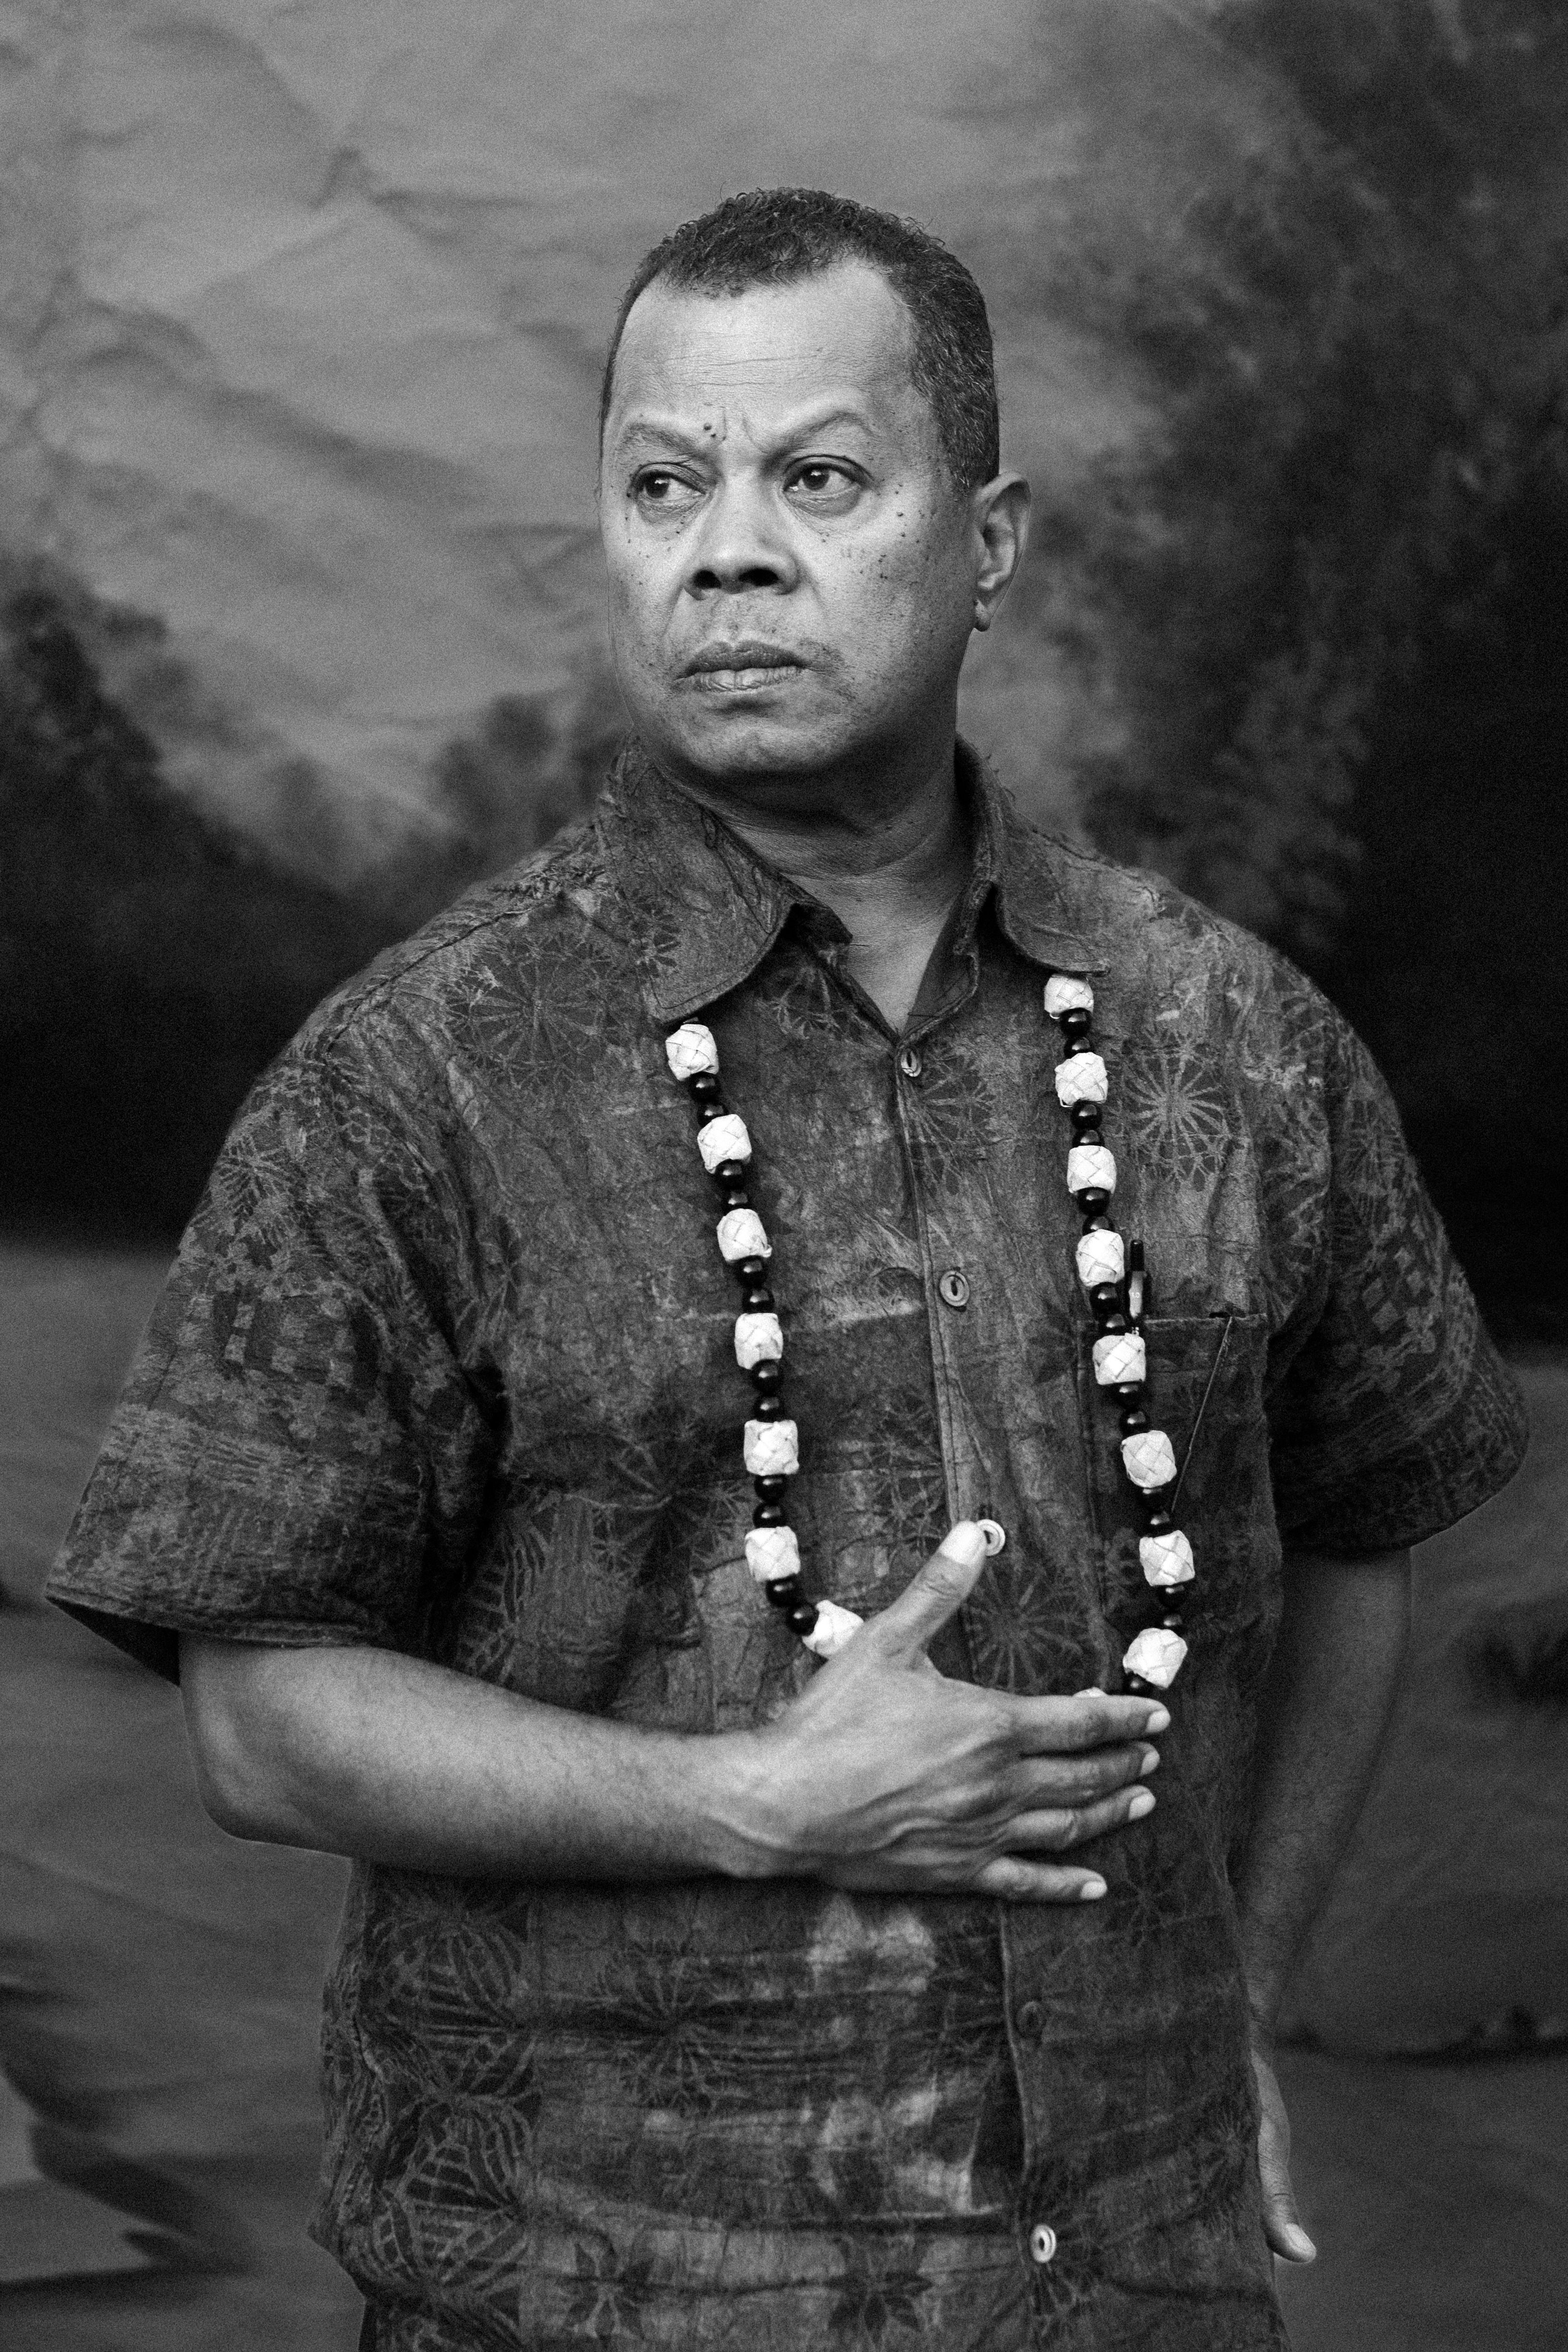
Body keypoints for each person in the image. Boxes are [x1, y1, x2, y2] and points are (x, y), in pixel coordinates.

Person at [49, 189, 1526, 2351]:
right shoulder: (419, 1075)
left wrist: (1233, 2007)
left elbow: (1362, 1537)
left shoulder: (1232, 1038)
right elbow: (260, 1722)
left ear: (988, 542)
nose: (726, 550)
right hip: (593, 2288)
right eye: (665, 486)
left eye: (816, 477)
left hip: (1130, 2288)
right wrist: (741, 1801)